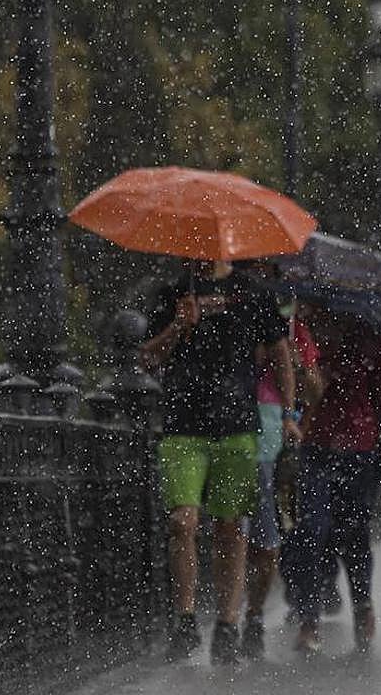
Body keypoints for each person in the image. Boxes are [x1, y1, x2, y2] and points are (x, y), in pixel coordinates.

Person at [141, 258, 294, 665]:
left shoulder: (253, 293)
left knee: (230, 528)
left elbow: (280, 352)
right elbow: (147, 359)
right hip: (182, 426)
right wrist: (178, 326)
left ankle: (227, 623)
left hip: (236, 425)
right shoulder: (173, 291)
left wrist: (290, 414)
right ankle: (186, 619)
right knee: (182, 522)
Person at [292, 316, 381, 654]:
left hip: (361, 449)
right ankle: (309, 618)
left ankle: (363, 606)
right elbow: (294, 387)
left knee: (354, 532)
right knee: (311, 530)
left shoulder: (366, 335)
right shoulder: (299, 334)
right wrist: (305, 363)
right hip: (315, 445)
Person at [240, 303, 320, 659]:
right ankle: (243, 612)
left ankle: (259, 612)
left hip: (268, 423)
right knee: (241, 525)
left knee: (271, 525)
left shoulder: (287, 329)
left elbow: (309, 383)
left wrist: (289, 361)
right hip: (229, 417)